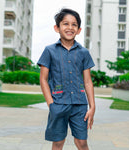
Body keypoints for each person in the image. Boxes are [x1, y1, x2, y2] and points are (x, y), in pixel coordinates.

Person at [37, 8, 95, 150]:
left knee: (81, 142)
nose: (70, 28)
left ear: (79, 30)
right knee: (58, 143)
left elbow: (87, 81)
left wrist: (92, 107)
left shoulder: (84, 53)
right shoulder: (49, 51)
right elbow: (43, 79)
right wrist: (51, 104)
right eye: (65, 24)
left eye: (74, 24)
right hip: (58, 103)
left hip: (79, 105)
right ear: (57, 28)